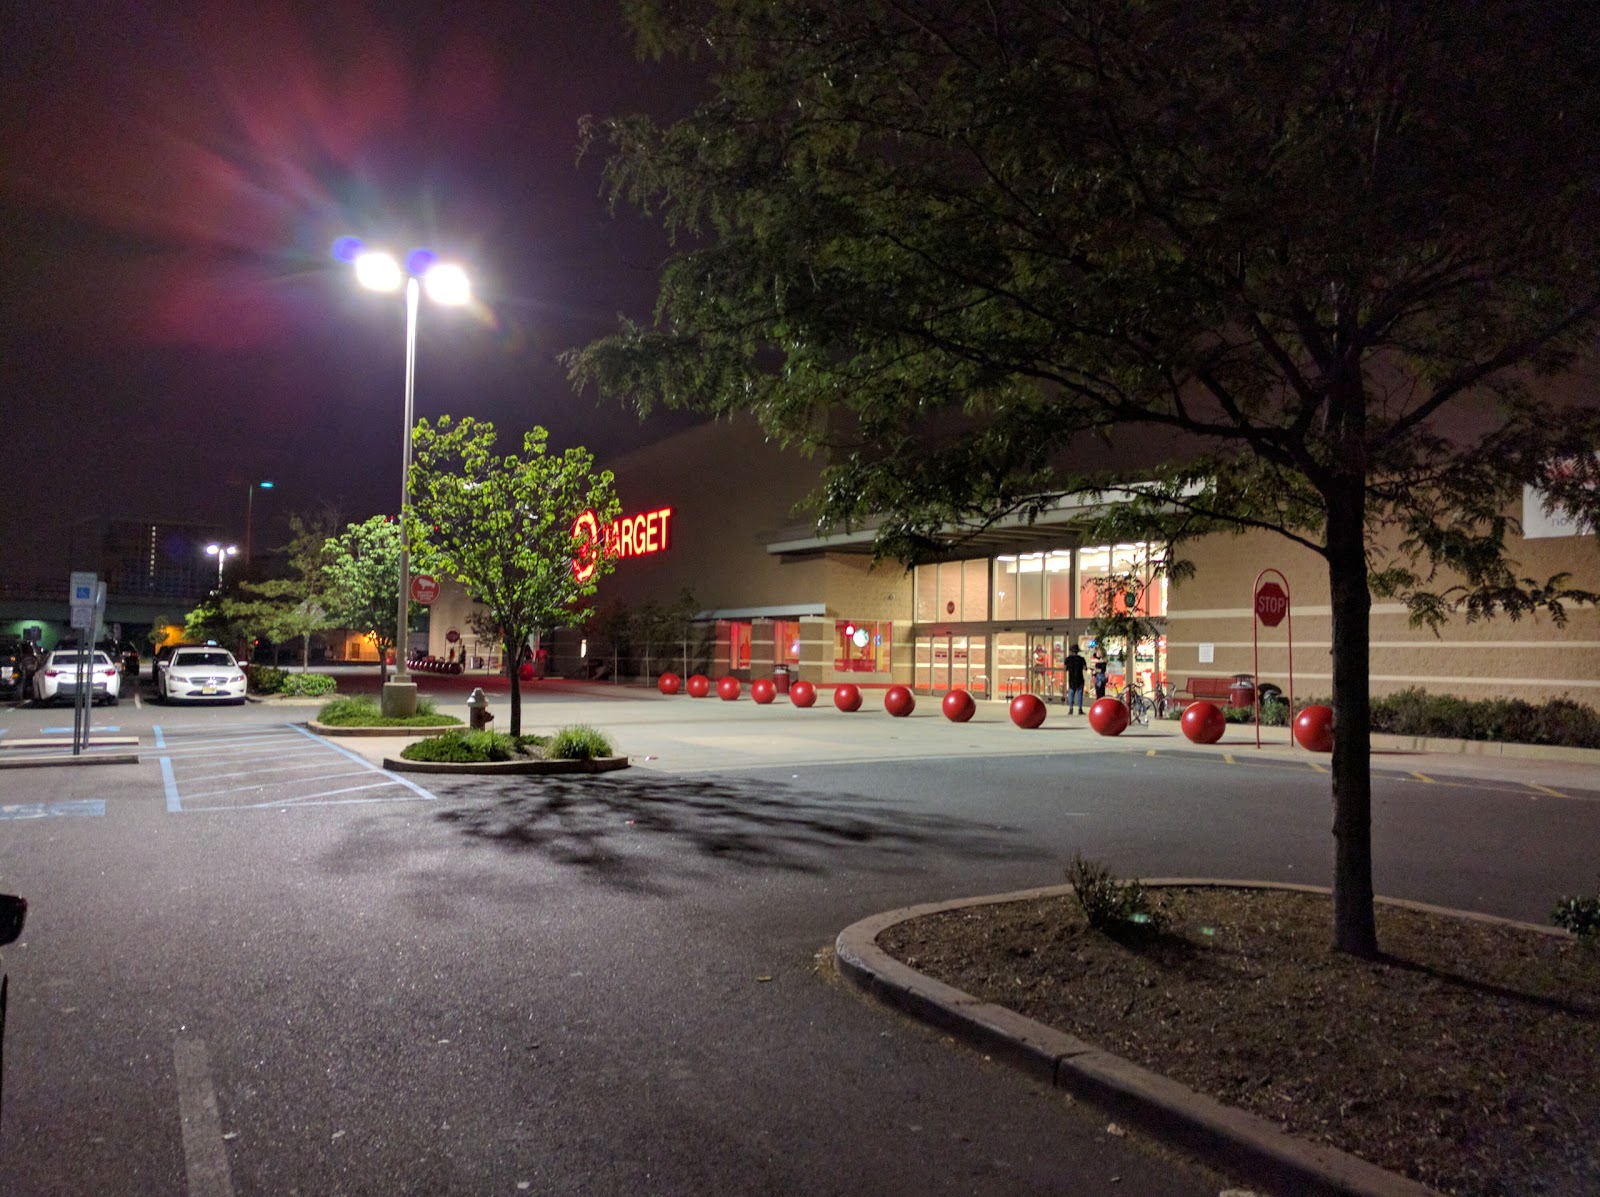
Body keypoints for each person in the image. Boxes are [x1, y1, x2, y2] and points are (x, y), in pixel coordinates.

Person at [1064, 643, 1087, 713]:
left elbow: (1065, 669)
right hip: (1080, 678)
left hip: (1071, 679)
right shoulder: (1081, 659)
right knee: (1080, 694)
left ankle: (1071, 709)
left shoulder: (1068, 659)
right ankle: (1080, 709)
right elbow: (1085, 668)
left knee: (1071, 694)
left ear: (1071, 651)